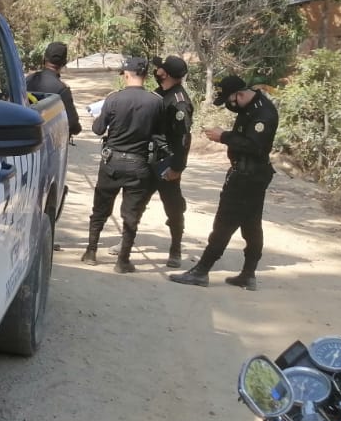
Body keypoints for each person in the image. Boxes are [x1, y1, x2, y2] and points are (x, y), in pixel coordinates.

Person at [170, 74, 279, 290]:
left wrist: (224, 137)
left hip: (248, 177)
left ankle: (201, 271)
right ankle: (248, 275)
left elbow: (255, 146)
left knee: (224, 223)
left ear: (239, 94)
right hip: (249, 174)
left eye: (229, 101)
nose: (229, 106)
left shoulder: (263, 113)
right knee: (250, 225)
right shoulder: (250, 107)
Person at [82, 57, 164, 273]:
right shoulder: (155, 102)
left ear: (126, 75)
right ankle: (123, 261)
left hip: (112, 162)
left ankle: (91, 251)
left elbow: (98, 130)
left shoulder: (113, 99)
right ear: (145, 75)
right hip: (139, 164)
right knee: (131, 214)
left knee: (100, 208)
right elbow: (159, 134)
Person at [149, 55, 194, 268]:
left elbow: (184, 139)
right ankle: (126, 242)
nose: (156, 71)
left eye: (160, 69)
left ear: (165, 73)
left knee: (173, 207)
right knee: (135, 201)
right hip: (148, 156)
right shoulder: (160, 94)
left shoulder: (180, 103)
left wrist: (177, 167)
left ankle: (175, 248)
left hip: (166, 162)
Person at [26, 42, 82, 138]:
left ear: (44, 59)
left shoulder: (28, 80)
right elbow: (72, 124)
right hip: (50, 145)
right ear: (64, 63)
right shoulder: (62, 89)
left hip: (25, 141)